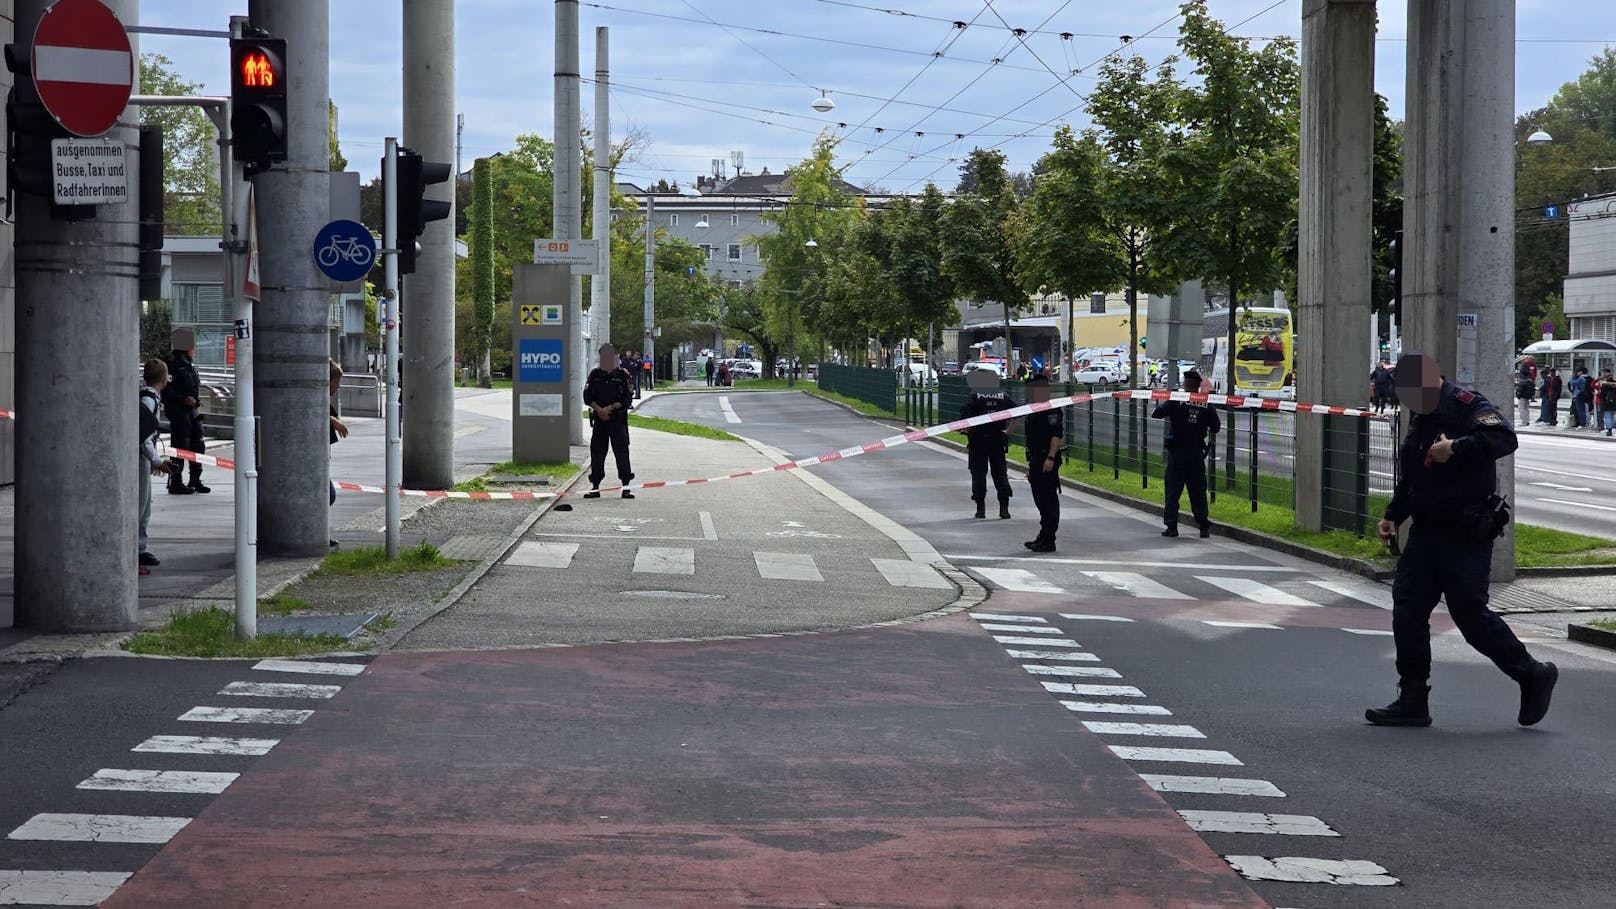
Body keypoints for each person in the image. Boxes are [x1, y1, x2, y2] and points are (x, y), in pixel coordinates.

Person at [1368, 352, 1557, 728]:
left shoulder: (1467, 406)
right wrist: (1393, 515)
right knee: (1407, 607)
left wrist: (1454, 447)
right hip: (1426, 532)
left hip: (1464, 532)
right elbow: (1413, 475)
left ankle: (1532, 673)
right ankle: (1413, 696)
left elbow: (1503, 437)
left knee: (1470, 616)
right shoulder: (1421, 416)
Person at [1153, 370, 1221, 539]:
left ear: (1185, 384)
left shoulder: (1177, 400)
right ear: (1198, 386)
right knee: (1198, 491)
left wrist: (1167, 400)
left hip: (1178, 454)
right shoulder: (1206, 403)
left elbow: (1157, 413)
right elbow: (1216, 427)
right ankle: (1203, 525)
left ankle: (1172, 527)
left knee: (1173, 492)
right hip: (1196, 454)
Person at [583, 343, 635, 499]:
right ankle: (595, 486)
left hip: (617, 421)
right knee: (597, 453)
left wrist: (610, 408)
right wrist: (599, 409)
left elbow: (627, 398)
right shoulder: (595, 375)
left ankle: (625, 486)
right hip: (600, 421)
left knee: (622, 453)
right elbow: (587, 396)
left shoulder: (622, 375)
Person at [960, 368, 1014, 520]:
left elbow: (965, 419)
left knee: (978, 474)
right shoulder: (1003, 396)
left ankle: (980, 508)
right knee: (1000, 474)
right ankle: (1004, 508)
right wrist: (1008, 431)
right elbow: (1020, 413)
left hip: (978, 441)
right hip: (998, 440)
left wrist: (966, 430)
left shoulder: (975, 397)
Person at [162, 330, 210, 495]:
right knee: (180, 445)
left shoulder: (189, 362)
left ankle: (195, 479)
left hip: (192, 410)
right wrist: (183, 399)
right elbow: (166, 388)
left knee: (198, 443)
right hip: (178, 410)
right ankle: (176, 481)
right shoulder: (170, 362)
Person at [1021, 375, 1064, 553]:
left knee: (1048, 499)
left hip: (1046, 458)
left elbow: (1056, 435)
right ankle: (1043, 535)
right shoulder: (1034, 408)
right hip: (1036, 459)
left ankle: (1049, 538)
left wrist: (1051, 458)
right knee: (1039, 497)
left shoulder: (1051, 409)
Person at [138, 359, 172, 575]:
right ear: (164, 378)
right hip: (139, 458)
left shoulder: (146, 397)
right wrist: (157, 461)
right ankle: (136, 550)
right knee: (141, 505)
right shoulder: (149, 401)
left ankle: (140, 548)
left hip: (141, 457)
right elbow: (145, 437)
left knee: (144, 505)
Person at [329, 360, 349, 545]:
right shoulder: (317, 403)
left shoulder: (324, 404)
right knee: (328, 495)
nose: (338, 387)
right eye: (336, 382)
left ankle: (318, 531)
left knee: (327, 494)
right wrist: (333, 420)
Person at [1600, 369, 1616, 437]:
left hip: (1606, 402)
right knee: (1612, 416)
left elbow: (1602, 394)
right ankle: (1613, 428)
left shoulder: (1604, 384)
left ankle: (1609, 430)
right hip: (1614, 402)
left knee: (1607, 416)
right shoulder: (1615, 383)